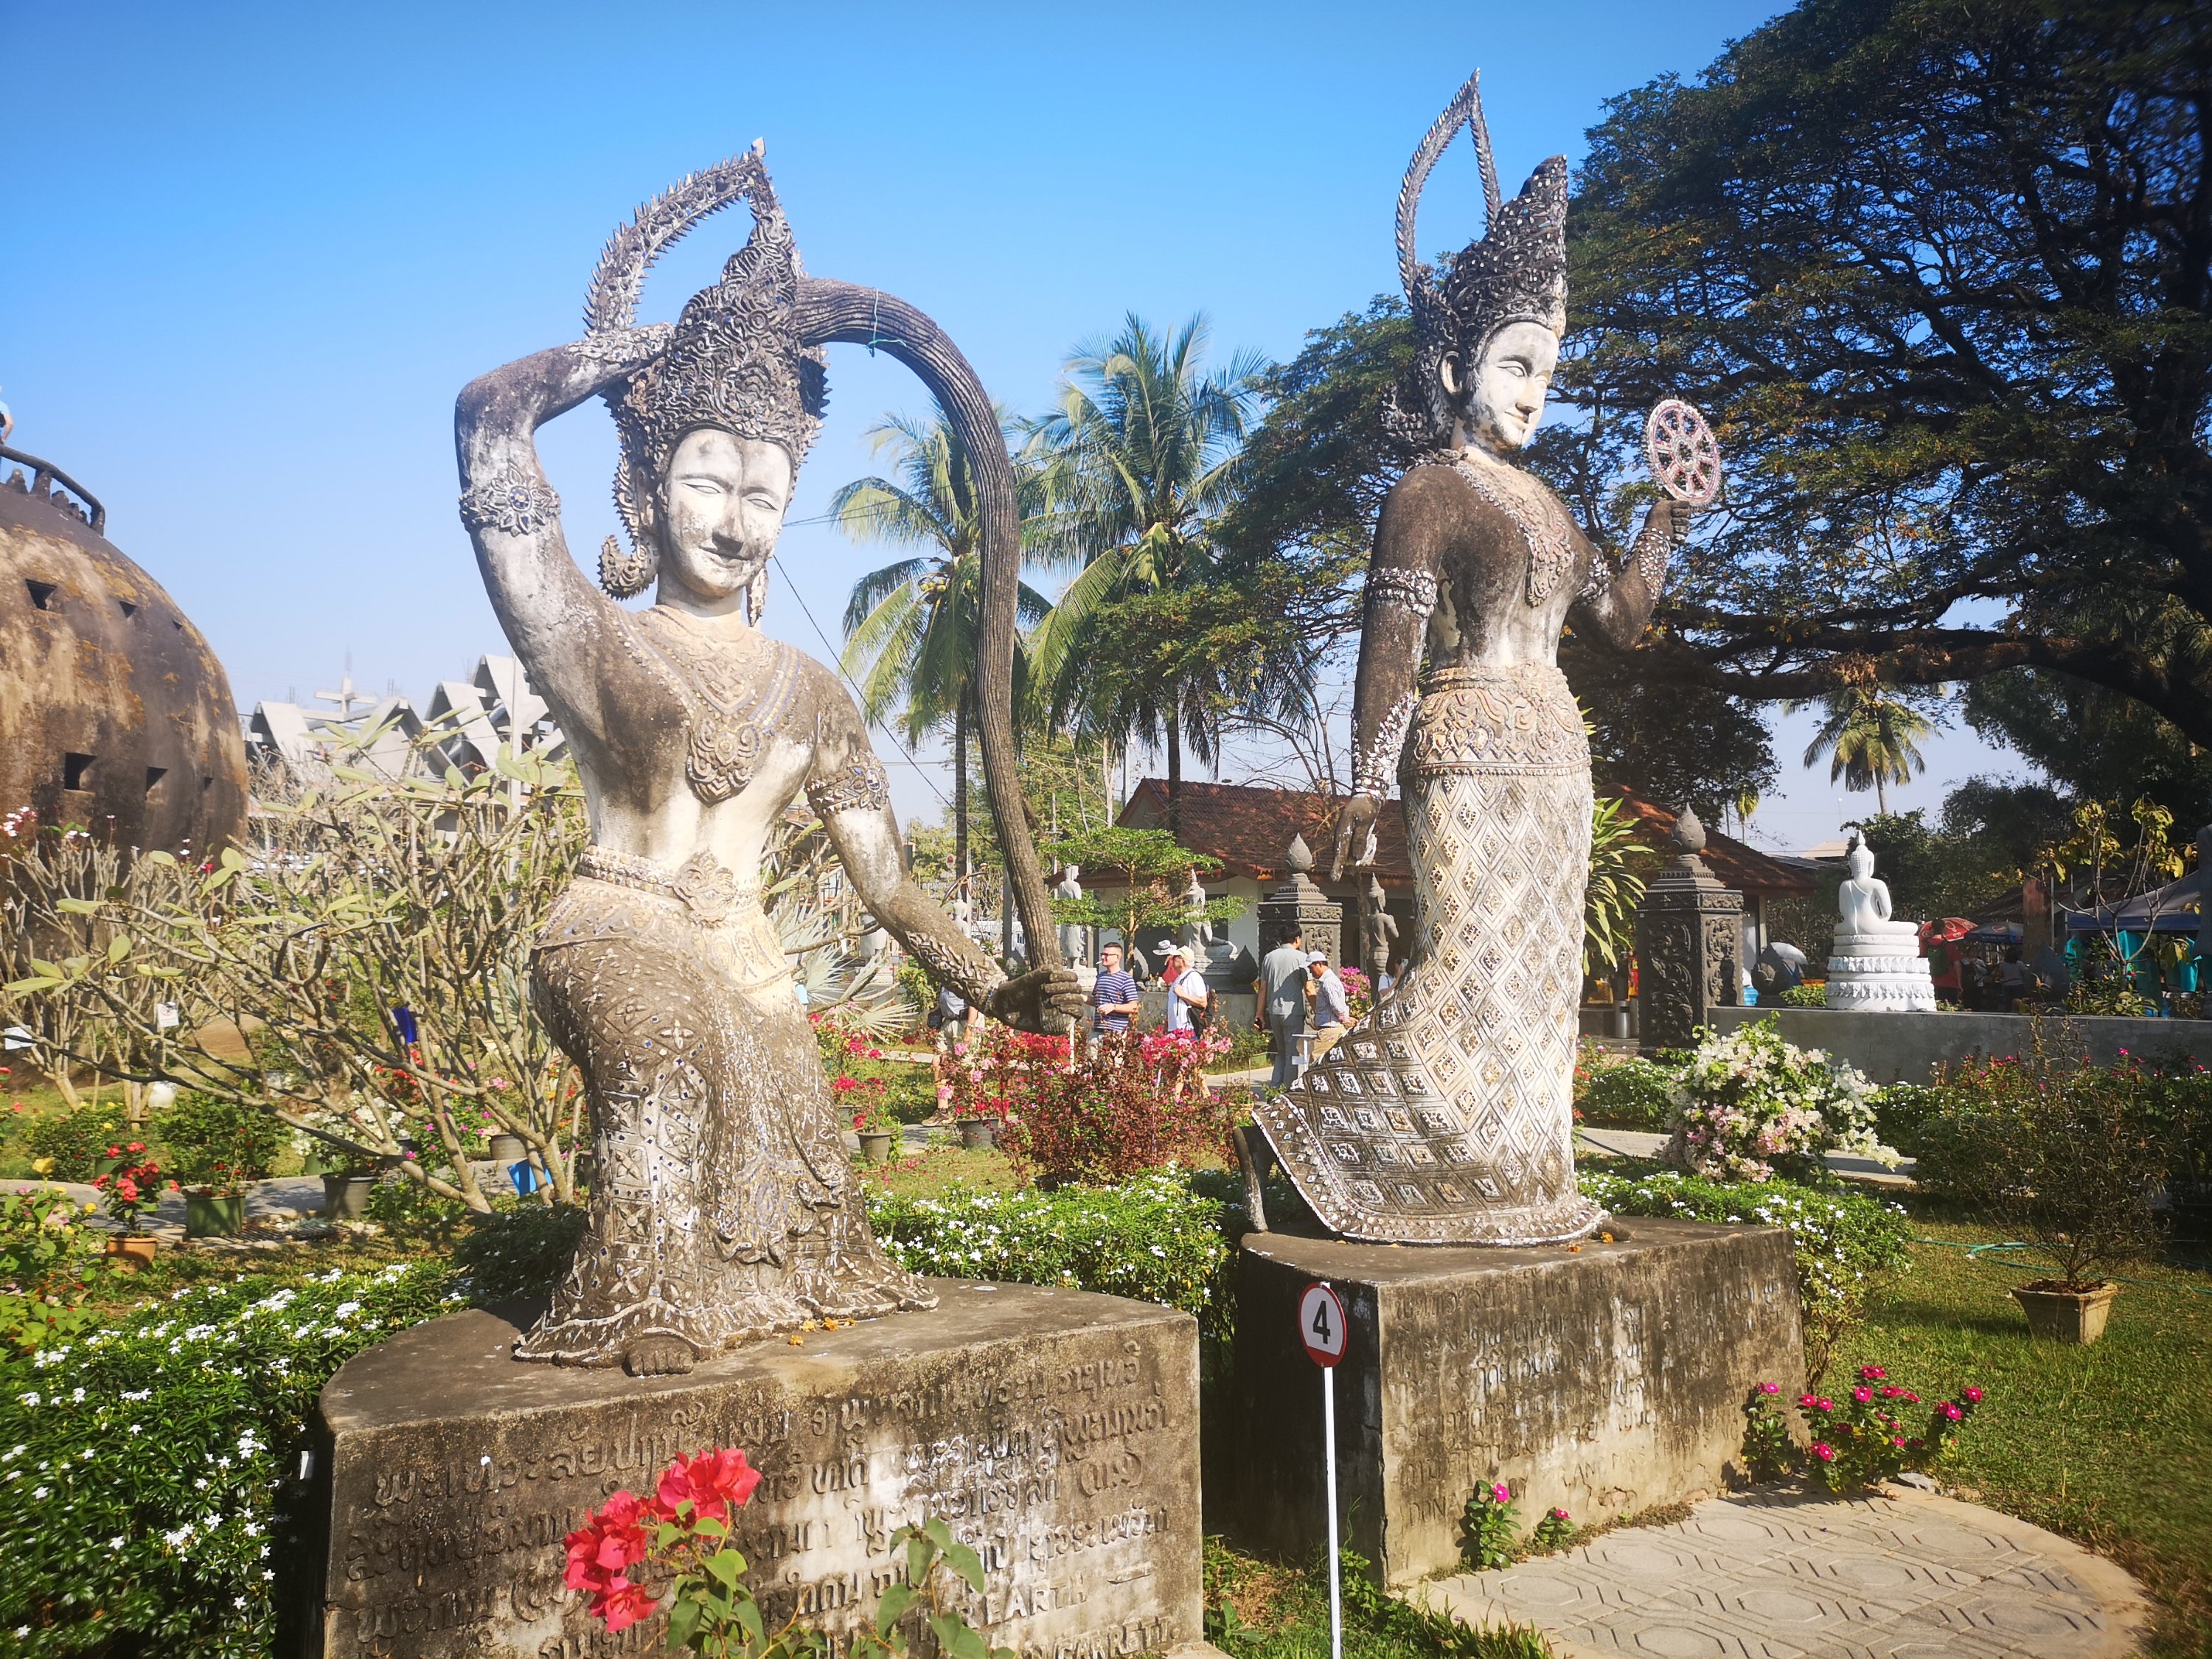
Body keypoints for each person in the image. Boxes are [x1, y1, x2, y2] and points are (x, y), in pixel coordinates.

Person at [453, 150, 1082, 1375]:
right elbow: (489, 415)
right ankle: (641, 1299)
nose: (737, 522)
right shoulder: (597, 640)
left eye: (764, 494)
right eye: (707, 481)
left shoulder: (814, 692)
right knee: (668, 1055)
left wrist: (998, 991)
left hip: (741, 954)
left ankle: (728, 1296)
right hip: (616, 924)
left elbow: (889, 887)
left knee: (808, 1206)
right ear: (645, 488)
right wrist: (645, 351)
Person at [1264, 72, 1703, 1245]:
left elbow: (1621, 622)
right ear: (1457, 367)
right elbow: (1391, 647)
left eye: (1547, 374)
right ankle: (1314, 1142)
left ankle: (1512, 1179)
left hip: (1556, 754)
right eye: (1515, 366)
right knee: (1465, 965)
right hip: (1462, 749)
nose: (1533, 396)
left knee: (1538, 985)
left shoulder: (1547, 503)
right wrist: (1363, 787)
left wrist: (1664, 516)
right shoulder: (1428, 491)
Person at [1257, 928, 1309, 1088]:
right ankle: (1288, 1090)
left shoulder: (1269, 957)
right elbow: (1309, 988)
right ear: (1297, 939)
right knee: (1293, 1054)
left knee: (1281, 1052)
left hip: (1274, 1011)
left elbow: (1263, 988)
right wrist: (1316, 1012)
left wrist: (1259, 1014)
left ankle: (1274, 1088)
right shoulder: (1302, 958)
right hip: (1293, 1012)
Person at [1091, 942, 1141, 1042]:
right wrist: (1080, 998)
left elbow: (1134, 1007)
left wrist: (1113, 1007)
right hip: (1097, 1031)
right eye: (1102, 954)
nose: (1103, 957)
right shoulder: (1101, 977)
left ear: (1118, 957)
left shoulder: (1126, 979)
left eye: (1106, 955)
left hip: (1116, 1033)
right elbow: (1097, 1001)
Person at [1307, 950, 1351, 1060]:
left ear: (1320, 964)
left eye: (1311, 968)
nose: (1310, 972)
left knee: (1316, 1062)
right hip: (1332, 1028)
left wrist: (1345, 1019)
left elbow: (1337, 1007)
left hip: (1329, 1029)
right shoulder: (1331, 980)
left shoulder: (1329, 982)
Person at [1159, 942, 1210, 1035]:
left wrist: (1182, 994)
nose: (1172, 960)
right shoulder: (1180, 977)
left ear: (1183, 961)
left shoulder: (1193, 976)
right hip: (1175, 1029)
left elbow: (1203, 1002)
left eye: (1175, 958)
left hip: (1187, 1030)